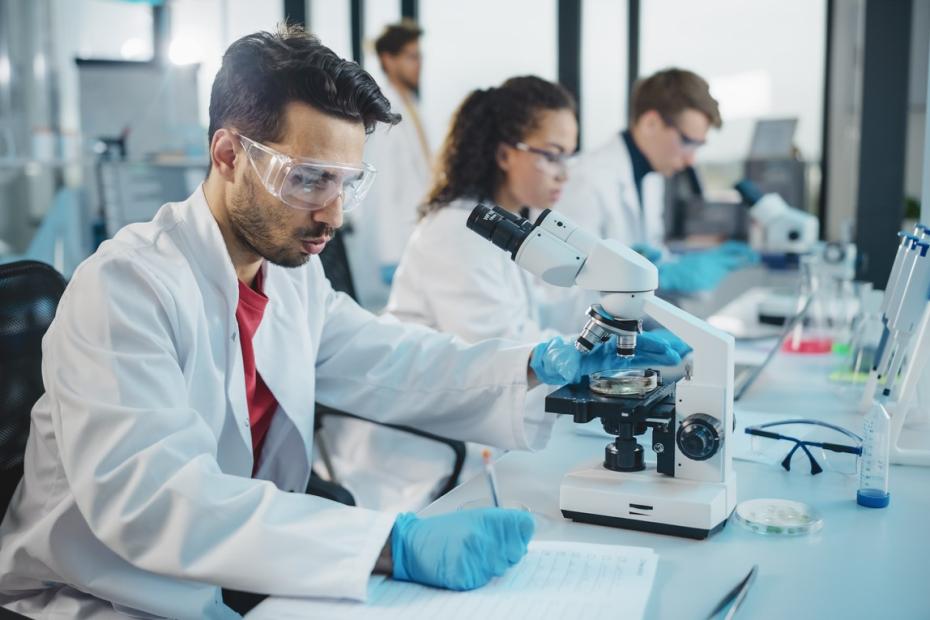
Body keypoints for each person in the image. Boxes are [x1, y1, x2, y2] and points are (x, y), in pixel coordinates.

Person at [0, 28, 677, 619]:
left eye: (347, 182)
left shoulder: (291, 275)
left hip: (230, 582)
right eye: (308, 179)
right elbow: (153, 501)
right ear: (229, 154)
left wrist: (536, 364)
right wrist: (391, 545)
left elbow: (394, 362)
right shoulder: (125, 288)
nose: (332, 213)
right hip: (98, 599)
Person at [318, 76, 688, 514]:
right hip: (432, 459)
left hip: (486, 429)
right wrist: (568, 360)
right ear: (504, 153)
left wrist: (606, 308)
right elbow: (492, 348)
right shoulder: (457, 232)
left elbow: (538, 313)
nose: (564, 172)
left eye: (569, 156)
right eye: (551, 155)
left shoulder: (513, 228)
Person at [557, 68, 757, 294]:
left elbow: (653, 252)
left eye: (697, 147)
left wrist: (667, 267)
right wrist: (640, 279)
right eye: (687, 142)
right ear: (651, 123)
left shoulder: (653, 179)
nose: (691, 159)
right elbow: (562, 289)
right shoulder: (585, 180)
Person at [345, 20, 432, 310]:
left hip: (413, 235)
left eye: (419, 56)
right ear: (388, 59)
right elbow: (380, 188)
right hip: (393, 245)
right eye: (410, 56)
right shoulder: (382, 111)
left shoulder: (410, 104)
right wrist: (389, 254)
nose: (418, 64)